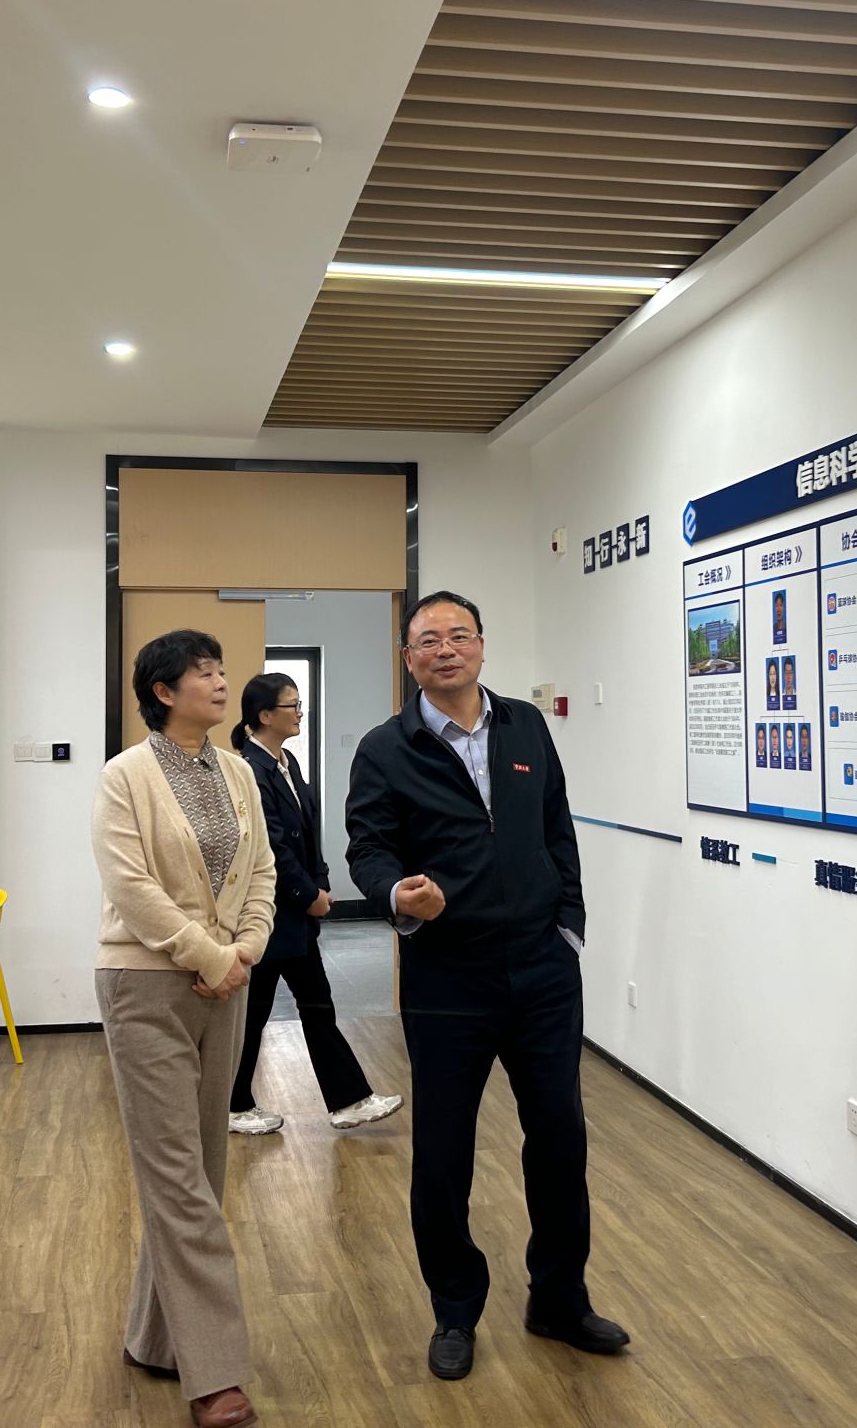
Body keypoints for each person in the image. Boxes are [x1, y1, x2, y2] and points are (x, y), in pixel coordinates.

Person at [346, 591, 629, 1383]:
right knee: (443, 1152)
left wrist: (569, 923)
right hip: (448, 975)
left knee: (560, 1139)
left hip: (542, 971)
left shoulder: (525, 726)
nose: (446, 649)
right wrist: (397, 894)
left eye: (459, 635)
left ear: (481, 646)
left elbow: (556, 828)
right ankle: (455, 1308)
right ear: (408, 659)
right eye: (428, 640)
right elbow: (367, 848)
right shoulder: (385, 749)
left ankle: (560, 1299)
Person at [92, 630, 275, 1428]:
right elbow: (130, 886)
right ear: (163, 692)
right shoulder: (124, 776)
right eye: (204, 673)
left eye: (222, 670)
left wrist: (247, 948)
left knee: (200, 1166)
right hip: (145, 983)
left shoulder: (237, 771)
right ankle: (216, 1373)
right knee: (176, 1177)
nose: (222, 682)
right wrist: (207, 954)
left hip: (225, 983)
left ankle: (154, 1338)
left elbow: (262, 868)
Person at [227, 673, 401, 1137]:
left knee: (311, 1006)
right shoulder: (250, 770)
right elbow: (272, 848)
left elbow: (306, 833)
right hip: (269, 915)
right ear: (265, 715)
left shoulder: (287, 763)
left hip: (294, 917)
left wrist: (321, 884)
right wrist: (308, 897)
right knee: (258, 1013)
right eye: (292, 705)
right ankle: (234, 1104)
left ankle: (347, 1099)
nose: (300, 712)